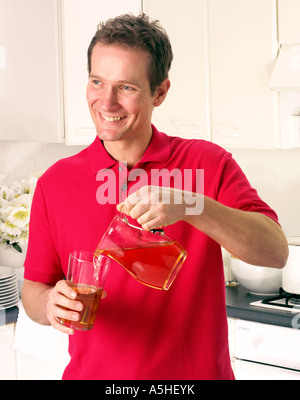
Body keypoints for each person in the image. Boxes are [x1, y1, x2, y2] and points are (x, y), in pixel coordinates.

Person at [21, 14, 288, 380]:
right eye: (97, 82)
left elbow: (275, 252)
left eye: (126, 88)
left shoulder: (207, 163)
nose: (107, 102)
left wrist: (192, 205)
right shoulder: (56, 182)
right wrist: (49, 304)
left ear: (159, 92)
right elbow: (35, 288)